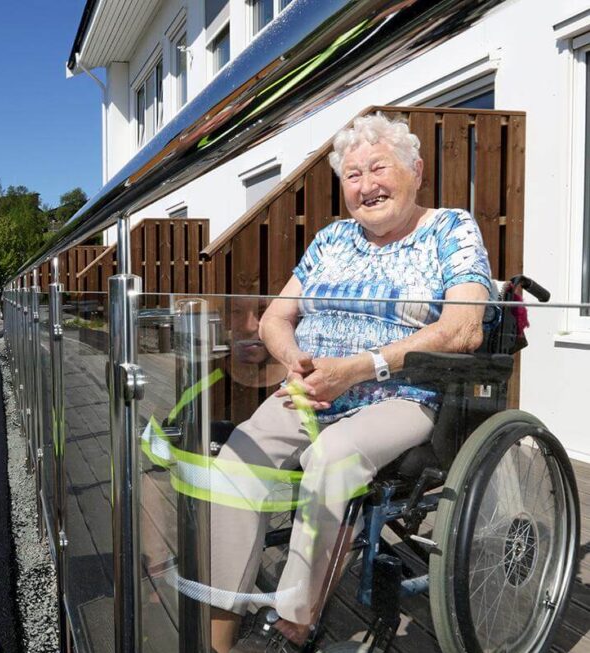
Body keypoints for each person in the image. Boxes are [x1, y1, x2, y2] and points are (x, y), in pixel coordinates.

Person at [208, 113, 492, 652]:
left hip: (399, 394)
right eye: (353, 176)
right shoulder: (332, 238)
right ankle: (219, 631)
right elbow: (275, 318)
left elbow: (464, 328)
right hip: (312, 388)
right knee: (234, 464)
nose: (367, 186)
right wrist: (295, 361)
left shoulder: (450, 229)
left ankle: (294, 622)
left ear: (416, 171)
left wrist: (357, 369)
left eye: (379, 168)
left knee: (332, 457)